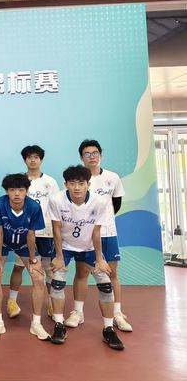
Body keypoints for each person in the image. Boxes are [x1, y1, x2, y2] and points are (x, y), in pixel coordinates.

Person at [48, 165, 124, 350]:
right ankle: (59, 325)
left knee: (106, 285)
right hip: (65, 246)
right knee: (57, 281)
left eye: (81, 183)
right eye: (72, 183)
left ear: (88, 185)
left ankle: (108, 329)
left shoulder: (100, 202)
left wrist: (99, 258)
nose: (77, 187)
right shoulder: (56, 200)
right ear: (65, 184)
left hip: (89, 247)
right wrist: (59, 256)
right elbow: (56, 229)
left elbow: (96, 231)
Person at [64, 140, 132, 332]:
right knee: (82, 272)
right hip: (84, 234)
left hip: (108, 232)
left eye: (95, 153)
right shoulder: (78, 180)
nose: (92, 156)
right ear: (81, 157)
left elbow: (116, 204)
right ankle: (78, 312)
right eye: (87, 154)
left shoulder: (112, 178)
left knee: (112, 273)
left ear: (100, 155)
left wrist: (103, 222)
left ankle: (117, 313)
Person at [0, 173, 50, 341]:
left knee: (38, 278)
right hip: (3, 242)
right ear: (6, 191)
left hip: (24, 243)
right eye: (12, 190)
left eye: (21, 190)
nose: (16, 194)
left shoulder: (33, 207)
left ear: (27, 191)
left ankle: (36, 323)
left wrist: (33, 259)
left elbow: (31, 234)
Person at [8, 145, 59, 318]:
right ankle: (11, 302)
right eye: (29, 157)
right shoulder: (19, 182)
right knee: (19, 267)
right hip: (24, 232)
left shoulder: (50, 182)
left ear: (41, 160)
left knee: (49, 269)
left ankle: (52, 304)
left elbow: (56, 208)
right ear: (25, 160)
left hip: (46, 233)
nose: (32, 160)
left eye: (36, 157)